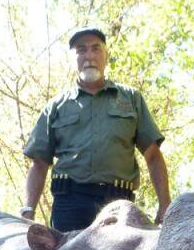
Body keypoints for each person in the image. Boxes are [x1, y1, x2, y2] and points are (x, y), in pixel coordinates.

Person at [20, 27, 170, 231]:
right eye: (81, 50)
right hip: (70, 205)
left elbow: (152, 155)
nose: (89, 56)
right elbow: (39, 163)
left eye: (95, 49)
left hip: (120, 206)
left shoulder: (131, 98)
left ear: (106, 55)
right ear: (73, 59)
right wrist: (28, 211)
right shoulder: (56, 106)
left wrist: (165, 204)